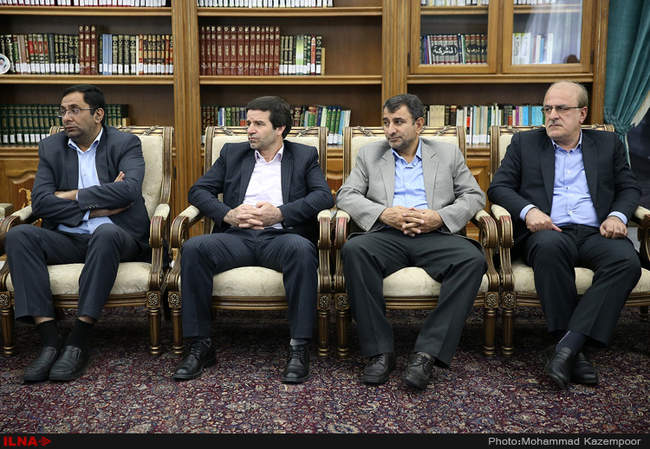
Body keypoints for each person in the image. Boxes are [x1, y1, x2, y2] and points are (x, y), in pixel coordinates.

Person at [487, 81, 642, 389]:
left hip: (596, 231)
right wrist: (530, 211)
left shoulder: (607, 144)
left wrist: (617, 215)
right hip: (549, 231)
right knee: (549, 248)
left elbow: (629, 188)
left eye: (561, 108)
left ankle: (567, 347)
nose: (552, 115)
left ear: (582, 114)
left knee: (626, 262)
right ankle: (573, 348)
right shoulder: (525, 143)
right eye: (547, 109)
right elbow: (499, 187)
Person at [173, 95, 333, 384]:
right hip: (237, 237)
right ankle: (199, 345)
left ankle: (299, 347)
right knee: (194, 248)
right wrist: (228, 214)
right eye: (248, 123)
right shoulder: (232, 153)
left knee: (302, 249)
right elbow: (198, 191)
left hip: (282, 238)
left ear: (280, 128)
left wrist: (280, 213)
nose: (250, 130)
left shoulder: (304, 156)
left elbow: (323, 196)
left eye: (258, 124)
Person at [336, 93, 487, 390]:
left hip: (434, 234)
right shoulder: (369, 154)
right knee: (354, 249)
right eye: (386, 122)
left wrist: (439, 217)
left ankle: (427, 353)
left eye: (398, 122)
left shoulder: (447, 154)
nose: (390, 130)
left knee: (472, 259)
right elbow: (346, 195)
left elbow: (473, 195)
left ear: (418, 124)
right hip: (386, 235)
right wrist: (384, 213)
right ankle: (379, 352)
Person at [5, 84, 151, 382]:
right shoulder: (51, 147)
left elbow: (129, 191)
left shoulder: (125, 143)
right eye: (63, 111)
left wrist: (71, 195)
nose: (66, 118)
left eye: (74, 110)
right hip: (68, 238)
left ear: (98, 115)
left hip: (117, 236)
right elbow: (41, 203)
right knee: (19, 236)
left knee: (105, 233)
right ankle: (49, 340)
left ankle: (78, 340)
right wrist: (94, 209)